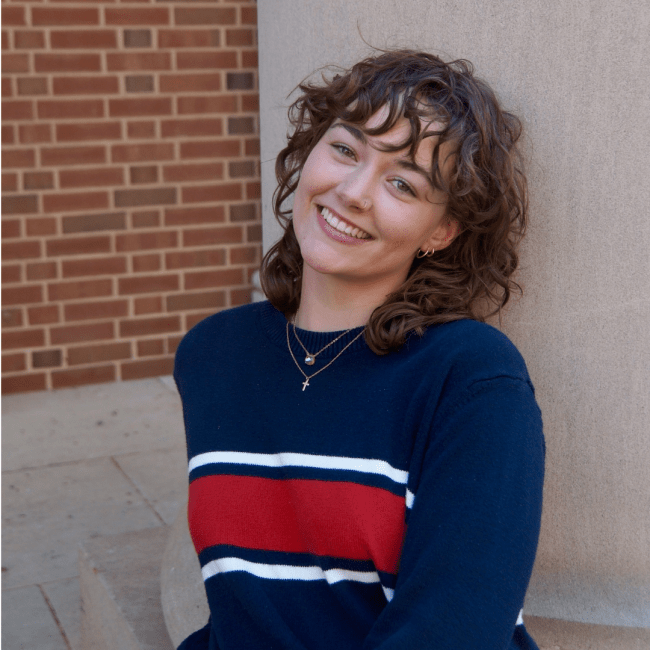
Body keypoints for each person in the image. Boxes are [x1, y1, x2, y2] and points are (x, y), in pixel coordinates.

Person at [174, 50, 544, 650]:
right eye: (345, 149)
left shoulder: (471, 377)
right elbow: (245, 604)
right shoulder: (213, 355)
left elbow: (454, 633)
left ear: (441, 231)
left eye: (402, 182)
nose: (352, 192)